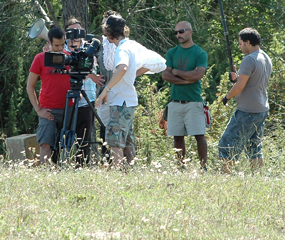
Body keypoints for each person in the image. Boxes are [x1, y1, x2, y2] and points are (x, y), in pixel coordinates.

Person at [95, 15, 165, 166]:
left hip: (121, 102)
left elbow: (122, 68)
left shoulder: (122, 49)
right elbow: (159, 62)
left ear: (108, 32)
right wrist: (131, 74)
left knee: (114, 143)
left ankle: (118, 175)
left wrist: (105, 90)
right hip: (129, 102)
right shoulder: (133, 45)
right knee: (127, 142)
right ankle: (130, 174)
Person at [219, 28, 272, 172]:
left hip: (247, 111)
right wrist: (238, 76)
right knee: (255, 147)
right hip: (262, 109)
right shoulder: (266, 57)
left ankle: (226, 177)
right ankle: (257, 177)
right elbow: (252, 80)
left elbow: (240, 87)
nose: (239, 46)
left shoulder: (249, 59)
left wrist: (227, 97)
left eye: (241, 43)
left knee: (226, 143)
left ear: (248, 42)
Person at [161, 21, 209, 169]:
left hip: (194, 101)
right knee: (177, 137)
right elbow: (165, 75)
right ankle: (180, 167)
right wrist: (185, 80)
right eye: (176, 32)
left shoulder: (200, 53)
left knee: (199, 135)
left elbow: (198, 74)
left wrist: (177, 72)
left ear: (190, 32)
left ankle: (203, 167)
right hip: (175, 101)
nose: (178, 35)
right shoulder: (172, 52)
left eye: (181, 31)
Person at [26, 27, 72, 164]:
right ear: (49, 43)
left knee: (67, 146)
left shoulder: (69, 59)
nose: (59, 48)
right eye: (56, 45)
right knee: (45, 144)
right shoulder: (40, 59)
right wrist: (39, 110)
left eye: (62, 44)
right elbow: (30, 86)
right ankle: (45, 175)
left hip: (68, 109)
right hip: (48, 111)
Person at [65, 17, 104, 165]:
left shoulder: (90, 47)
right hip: (67, 98)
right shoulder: (61, 48)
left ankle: (82, 166)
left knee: (84, 136)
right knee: (65, 134)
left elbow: (87, 66)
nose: (76, 35)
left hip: (87, 98)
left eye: (79, 31)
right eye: (72, 31)